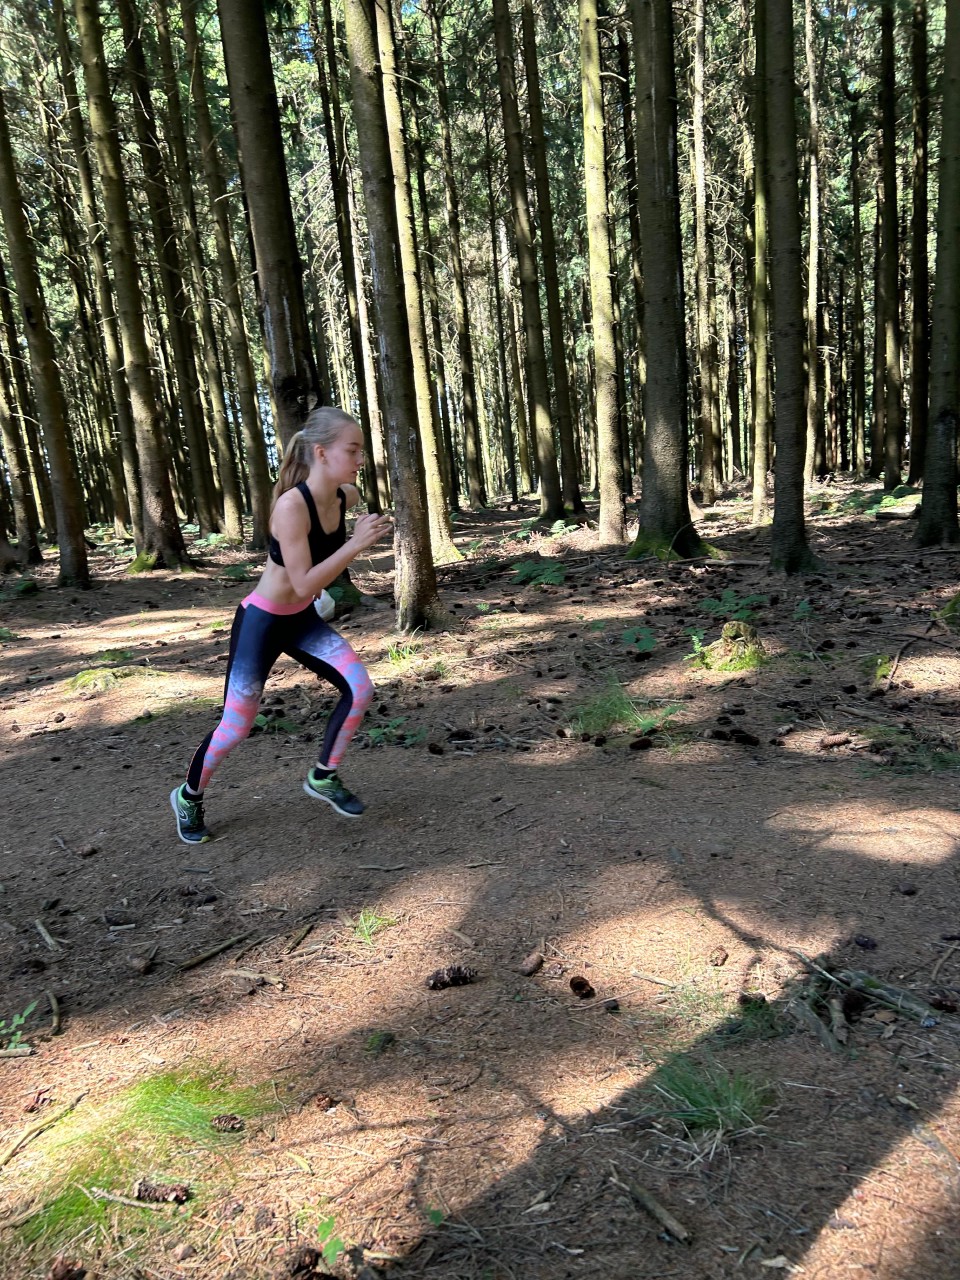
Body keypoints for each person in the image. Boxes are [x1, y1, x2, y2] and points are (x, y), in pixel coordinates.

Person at [170, 406, 392, 844]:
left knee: (359, 688)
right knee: (237, 725)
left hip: (302, 621)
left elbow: (310, 584)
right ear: (321, 453)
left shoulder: (345, 496)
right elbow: (304, 580)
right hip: (263, 622)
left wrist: (363, 531)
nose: (360, 459)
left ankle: (323, 775)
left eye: (361, 451)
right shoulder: (291, 507)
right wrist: (356, 543)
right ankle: (188, 796)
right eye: (352, 450)